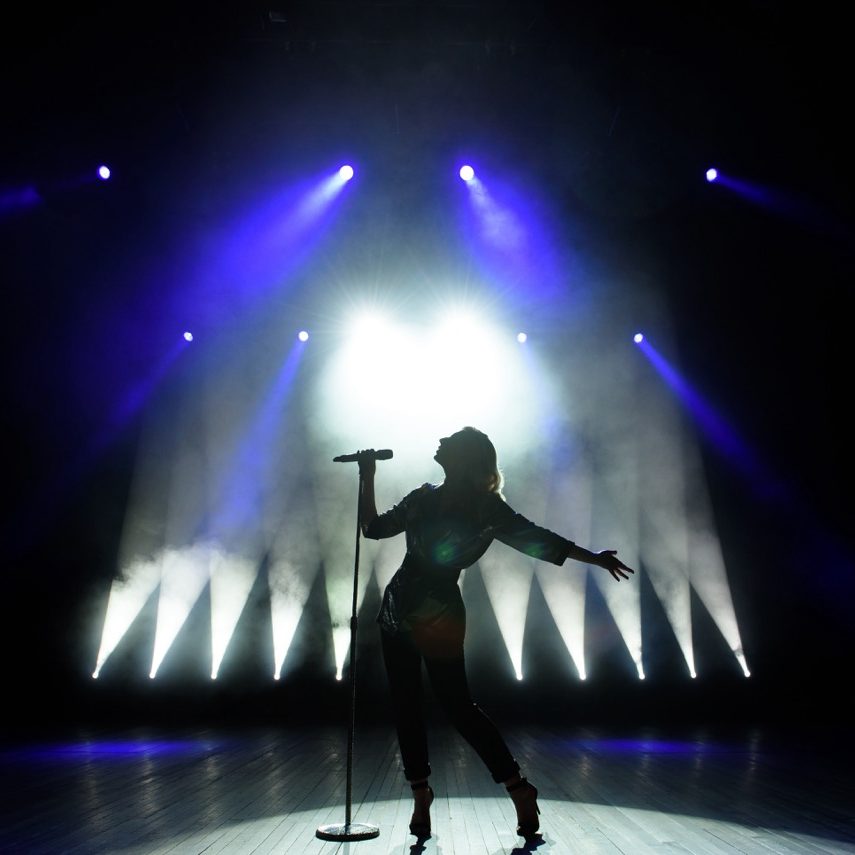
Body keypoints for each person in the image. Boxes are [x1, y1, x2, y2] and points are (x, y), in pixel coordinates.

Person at [358, 426, 634, 840]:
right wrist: (367, 475)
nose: (440, 441)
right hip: (397, 610)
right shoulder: (422, 495)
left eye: (450, 440)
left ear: (466, 457)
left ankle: (518, 787)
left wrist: (592, 558)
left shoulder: (485, 508)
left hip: (440, 613)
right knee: (405, 707)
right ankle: (420, 794)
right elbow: (373, 529)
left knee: (458, 707)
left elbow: (536, 538)